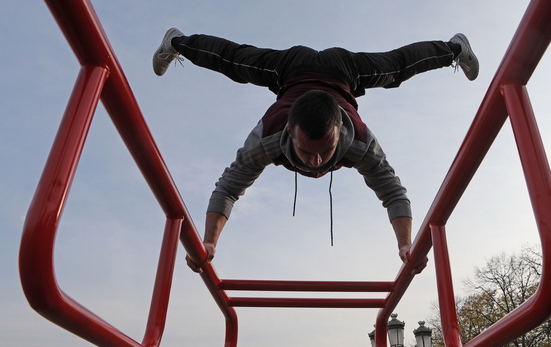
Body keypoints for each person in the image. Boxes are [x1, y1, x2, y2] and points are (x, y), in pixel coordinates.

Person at [152, 28, 479, 274]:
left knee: (396, 68)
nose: (316, 161)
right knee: (236, 61)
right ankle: (177, 42)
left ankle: (454, 49)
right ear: (291, 132)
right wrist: (209, 242)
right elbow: (228, 188)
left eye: (326, 151)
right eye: (307, 153)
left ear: (340, 131)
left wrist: (406, 245)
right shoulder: (267, 135)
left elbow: (394, 192)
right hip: (289, 69)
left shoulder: (361, 142)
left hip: (344, 70)